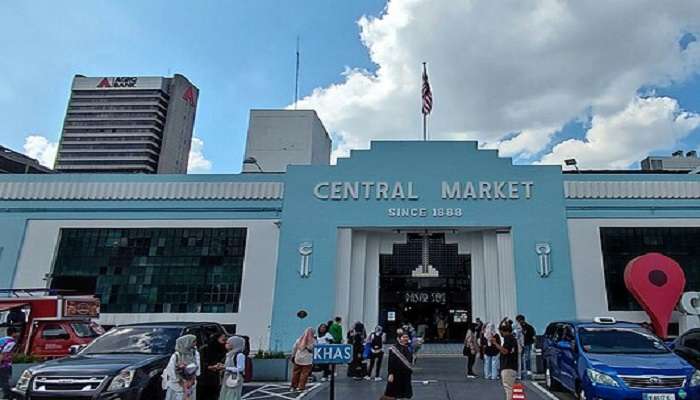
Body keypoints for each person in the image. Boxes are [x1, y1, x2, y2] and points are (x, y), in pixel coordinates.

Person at [163, 334, 201, 400]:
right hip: (178, 385)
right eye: (193, 341)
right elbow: (171, 370)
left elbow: (197, 367)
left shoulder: (194, 353)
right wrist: (181, 381)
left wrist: (192, 379)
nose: (195, 343)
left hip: (190, 383)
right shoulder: (176, 355)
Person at [383, 333, 413, 399]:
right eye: (404, 337)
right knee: (396, 392)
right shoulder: (394, 348)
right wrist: (390, 373)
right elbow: (390, 362)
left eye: (407, 337)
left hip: (406, 374)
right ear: (399, 338)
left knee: (405, 392)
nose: (406, 339)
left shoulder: (409, 348)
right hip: (396, 373)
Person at [494, 324, 519, 400]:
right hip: (513, 366)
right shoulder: (513, 339)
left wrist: (495, 343)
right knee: (510, 388)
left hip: (507, 366)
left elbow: (505, 351)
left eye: (500, 331)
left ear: (504, 331)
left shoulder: (508, 338)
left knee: (508, 388)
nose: (500, 333)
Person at [200, 333, 227, 399]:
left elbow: (223, 360)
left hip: (216, 377)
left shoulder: (223, 349)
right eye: (223, 339)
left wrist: (220, 365)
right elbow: (201, 362)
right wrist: (209, 367)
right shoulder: (205, 349)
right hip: (204, 377)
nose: (225, 342)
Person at [218, 336, 246, 400]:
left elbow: (240, 368)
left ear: (234, 344)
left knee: (232, 396)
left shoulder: (239, 355)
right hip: (227, 378)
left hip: (234, 379)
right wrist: (222, 366)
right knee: (226, 395)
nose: (226, 344)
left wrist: (226, 368)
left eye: (228, 343)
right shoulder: (230, 354)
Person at [0, 327, 19, 399]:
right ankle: (8, 395)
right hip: (4, 364)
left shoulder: (1, 340)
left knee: (3, 381)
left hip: (4, 364)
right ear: (13, 333)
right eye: (17, 332)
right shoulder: (11, 342)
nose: (18, 334)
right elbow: (3, 353)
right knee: (5, 381)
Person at [516, 314, 536, 379]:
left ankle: (528, 369)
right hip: (520, 344)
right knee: (521, 358)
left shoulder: (528, 327)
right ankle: (521, 370)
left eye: (519, 320)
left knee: (527, 357)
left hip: (527, 343)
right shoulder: (517, 327)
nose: (519, 322)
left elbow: (533, 335)